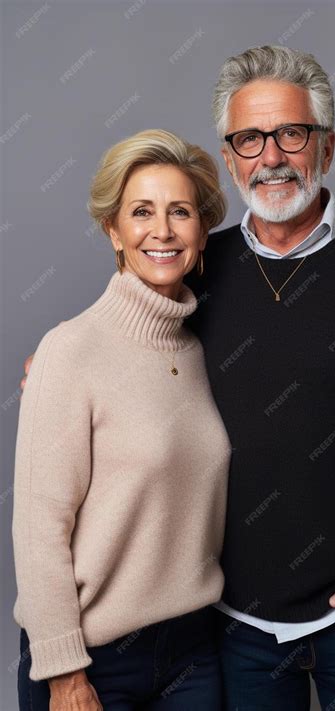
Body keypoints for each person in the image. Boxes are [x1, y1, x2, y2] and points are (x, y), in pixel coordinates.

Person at [21, 46, 335, 710]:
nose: (272, 156)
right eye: (249, 139)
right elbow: (132, 318)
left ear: (327, 146)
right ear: (230, 157)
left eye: (292, 133)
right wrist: (58, 361)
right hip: (236, 627)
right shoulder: (203, 268)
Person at [13, 128, 231, 710]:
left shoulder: (204, 349)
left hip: (193, 651)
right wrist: (64, 672)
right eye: (141, 212)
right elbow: (39, 531)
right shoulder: (70, 351)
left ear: (202, 231)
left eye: (180, 212)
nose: (162, 230)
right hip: (92, 659)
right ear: (113, 230)